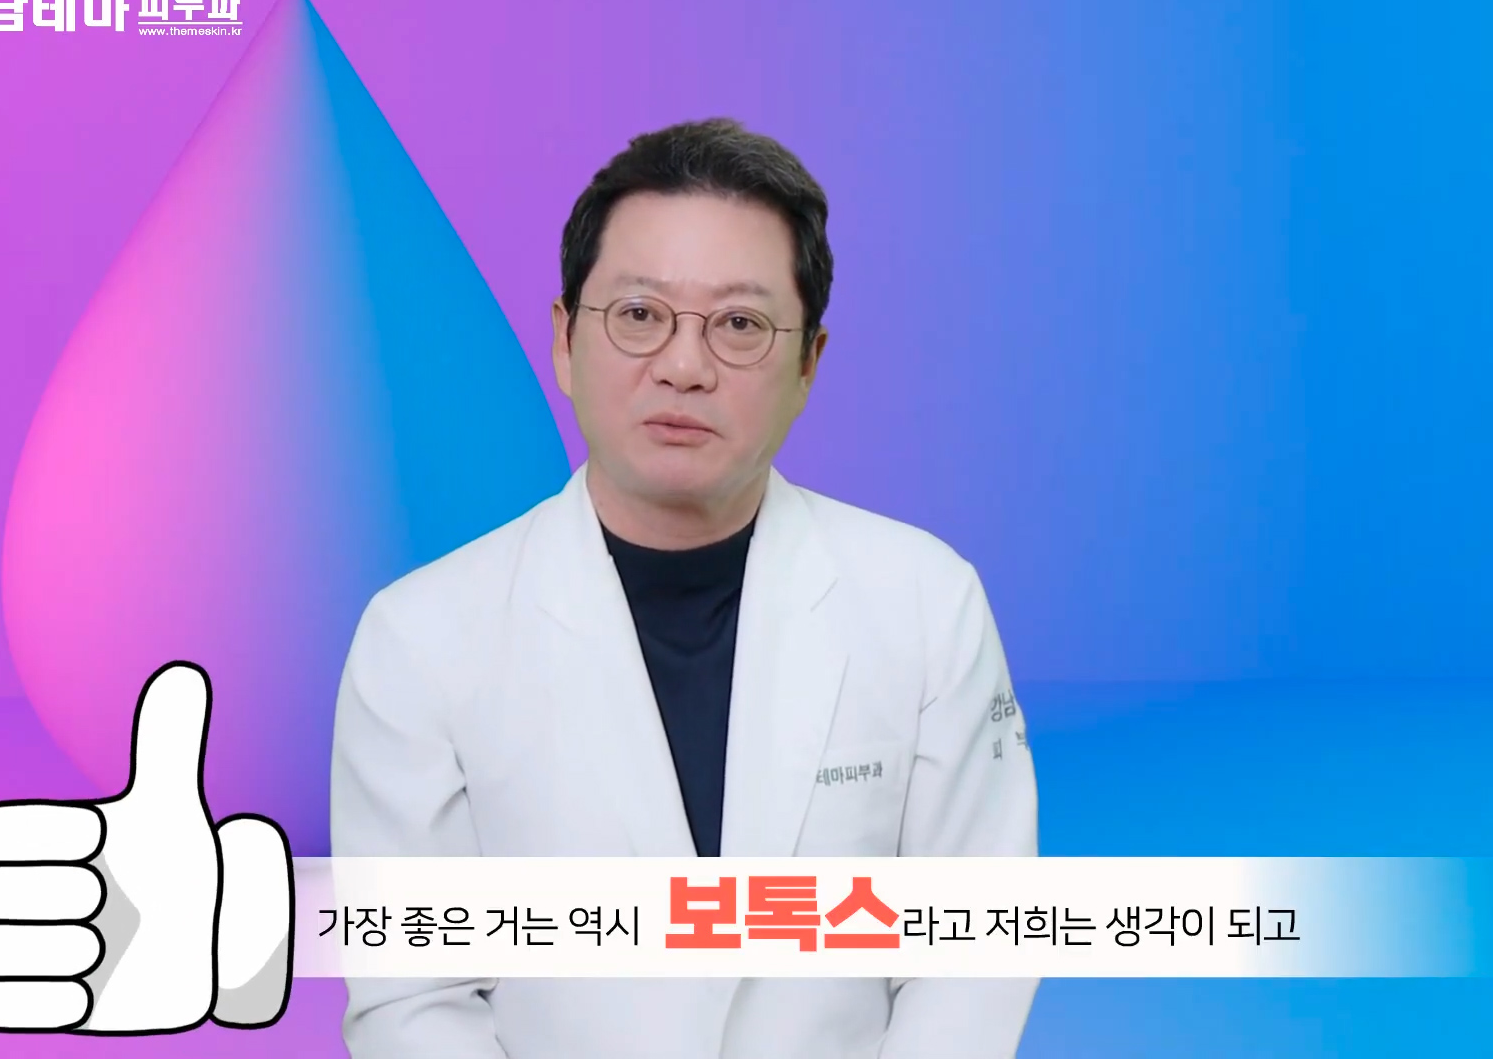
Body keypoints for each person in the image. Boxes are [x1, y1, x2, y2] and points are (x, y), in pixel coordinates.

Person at [330, 117, 1038, 1058]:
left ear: (808, 364)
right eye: (639, 314)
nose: (683, 366)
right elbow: (412, 995)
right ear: (565, 341)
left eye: (740, 325)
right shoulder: (418, 637)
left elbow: (975, 947)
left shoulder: (924, 602)